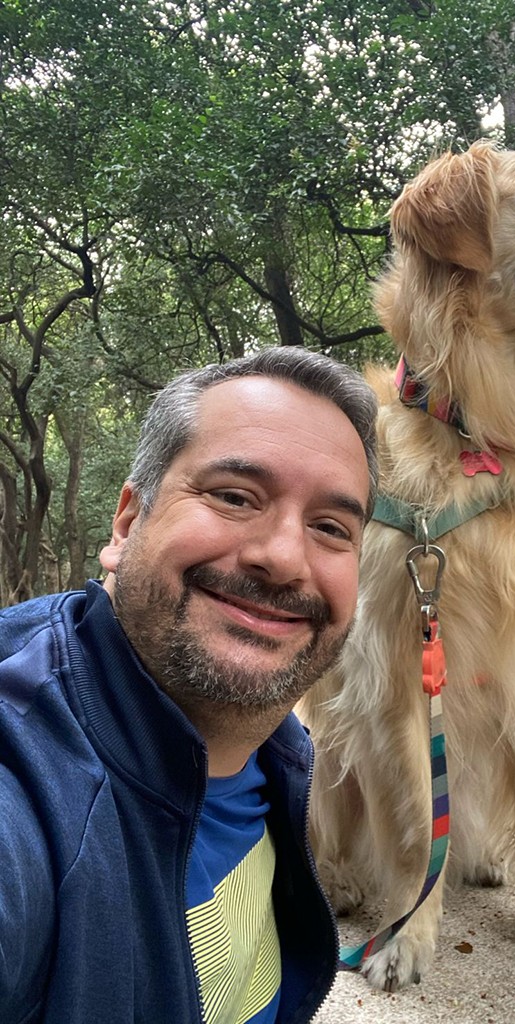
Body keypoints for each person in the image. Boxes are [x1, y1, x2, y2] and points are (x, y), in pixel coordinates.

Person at [0, 346, 379, 1024]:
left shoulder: (282, 754)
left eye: (330, 528)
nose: (283, 558)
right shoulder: (25, 773)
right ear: (127, 524)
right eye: (234, 497)